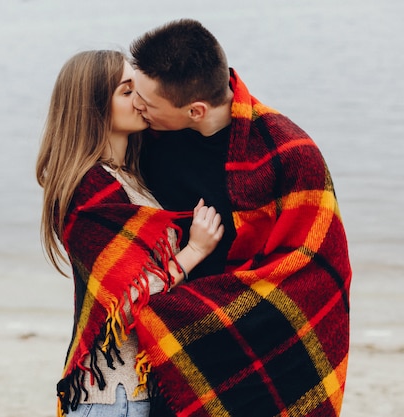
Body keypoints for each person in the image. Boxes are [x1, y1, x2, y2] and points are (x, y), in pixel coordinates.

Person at [129, 19, 352, 417]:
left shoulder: (289, 154)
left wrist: (181, 310)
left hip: (251, 337)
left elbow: (314, 274)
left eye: (147, 102)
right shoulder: (147, 138)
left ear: (195, 110)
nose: (137, 106)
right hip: (165, 347)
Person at [35, 50, 224, 417]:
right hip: (111, 395)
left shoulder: (129, 179)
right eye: (126, 92)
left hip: (138, 388)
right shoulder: (86, 189)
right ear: (93, 108)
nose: (141, 101)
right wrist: (194, 251)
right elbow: (125, 301)